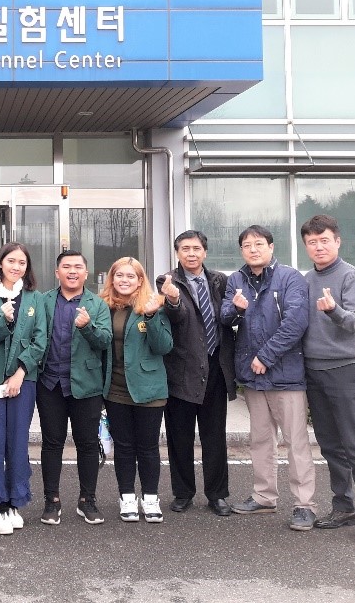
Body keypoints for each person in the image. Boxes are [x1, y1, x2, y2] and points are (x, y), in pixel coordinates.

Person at [221, 225, 316, 532]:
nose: (253, 249)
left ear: (271, 247)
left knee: (295, 441)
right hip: (253, 376)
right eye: (247, 245)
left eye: (259, 244)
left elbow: (296, 322)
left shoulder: (290, 278)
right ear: (241, 250)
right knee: (261, 440)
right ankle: (264, 497)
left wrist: (266, 356)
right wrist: (235, 310)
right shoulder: (236, 280)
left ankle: (304, 504)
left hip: (286, 375)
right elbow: (224, 317)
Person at [300, 214, 355, 544]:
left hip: (345, 370)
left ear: (337, 241)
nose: (319, 247)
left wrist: (333, 309)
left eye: (324, 240)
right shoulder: (307, 279)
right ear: (306, 246)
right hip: (314, 371)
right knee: (331, 446)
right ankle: (343, 507)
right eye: (312, 242)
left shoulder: (351, 276)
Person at [158, 230, 236, 518]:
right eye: (185, 249)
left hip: (215, 366)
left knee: (214, 435)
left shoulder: (220, 281)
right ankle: (183, 492)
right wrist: (173, 300)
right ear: (177, 253)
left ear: (205, 252)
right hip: (181, 367)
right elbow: (175, 318)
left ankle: (217, 494)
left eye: (196, 248)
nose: (191, 254)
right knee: (179, 435)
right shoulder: (167, 281)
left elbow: (227, 317)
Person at [0, 242, 47, 535]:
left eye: (22, 263)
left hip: (23, 379)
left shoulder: (35, 298)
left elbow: (40, 340)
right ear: (0, 263)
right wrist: (4, 320)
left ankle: (14, 500)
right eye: (11, 261)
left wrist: (20, 373)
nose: (16, 267)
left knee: (18, 439)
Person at [38, 250, 113, 526]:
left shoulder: (97, 304)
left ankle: (87, 500)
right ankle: (51, 500)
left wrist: (87, 327)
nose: (72, 271)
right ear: (57, 272)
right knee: (51, 443)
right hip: (50, 383)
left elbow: (104, 341)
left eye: (78, 267)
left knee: (87, 444)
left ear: (86, 272)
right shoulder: (44, 301)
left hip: (86, 385)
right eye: (66, 267)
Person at [99, 257, 173, 523]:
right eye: (119, 275)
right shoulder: (104, 306)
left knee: (148, 447)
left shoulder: (153, 305)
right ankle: (127, 496)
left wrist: (151, 316)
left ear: (140, 280)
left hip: (148, 388)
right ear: (112, 278)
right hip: (115, 388)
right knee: (124, 446)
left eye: (131, 276)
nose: (124, 280)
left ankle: (150, 498)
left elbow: (164, 346)